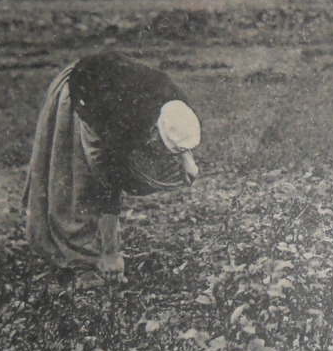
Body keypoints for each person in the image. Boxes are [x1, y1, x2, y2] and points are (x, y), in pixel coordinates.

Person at [23, 48, 201, 281]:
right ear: (152, 131)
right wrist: (111, 252)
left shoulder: (178, 105)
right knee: (77, 185)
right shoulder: (122, 120)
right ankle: (81, 262)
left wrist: (187, 160)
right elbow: (108, 185)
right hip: (81, 91)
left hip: (109, 82)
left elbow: (179, 134)